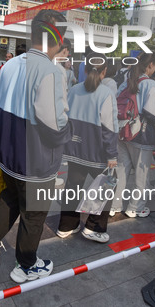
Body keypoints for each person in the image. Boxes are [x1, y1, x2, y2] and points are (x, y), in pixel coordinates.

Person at [0, 10, 71, 283]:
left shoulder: (10, 65)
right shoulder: (53, 71)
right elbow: (54, 124)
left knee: (10, 198)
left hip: (7, 155)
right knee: (34, 214)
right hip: (36, 161)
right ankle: (26, 265)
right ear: (57, 39)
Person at [57, 52, 118, 242]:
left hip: (74, 150)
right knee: (108, 186)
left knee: (73, 186)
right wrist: (112, 155)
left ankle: (66, 226)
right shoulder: (107, 93)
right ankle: (94, 228)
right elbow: (109, 128)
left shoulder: (74, 90)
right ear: (104, 71)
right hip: (97, 153)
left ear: (83, 69)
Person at [110, 52, 155, 218]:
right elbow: (153, 113)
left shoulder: (126, 81)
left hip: (122, 132)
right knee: (141, 175)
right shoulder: (150, 84)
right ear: (151, 65)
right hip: (141, 134)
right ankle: (135, 207)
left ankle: (115, 205)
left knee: (121, 171)